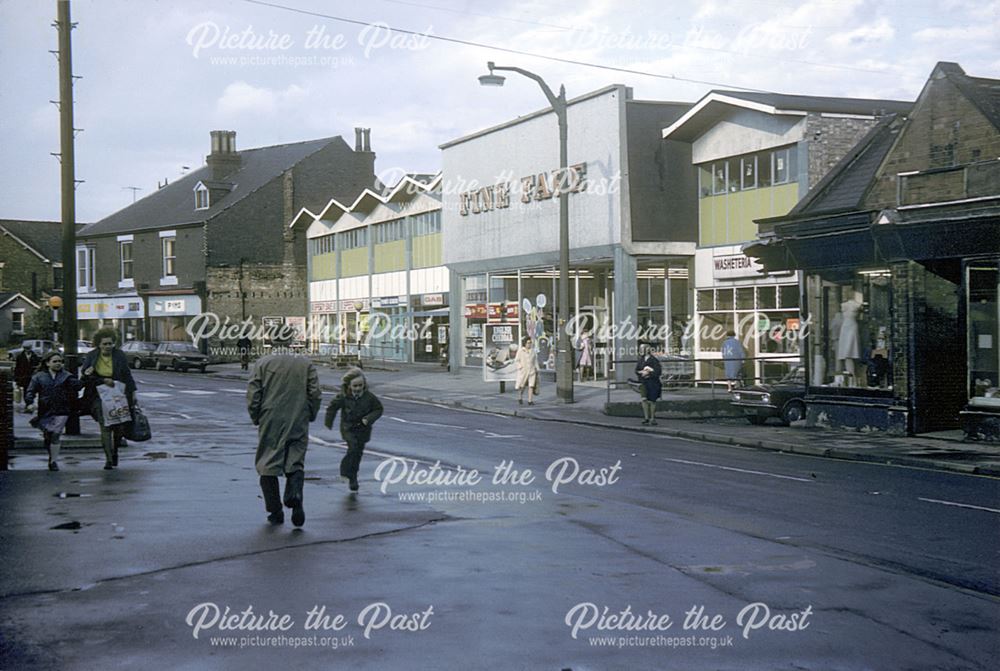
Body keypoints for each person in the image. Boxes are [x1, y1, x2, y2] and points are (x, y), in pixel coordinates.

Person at [247, 332, 322, 526]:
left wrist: (256, 416)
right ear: (290, 341)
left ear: (272, 341)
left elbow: (254, 393)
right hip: (298, 416)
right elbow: (314, 393)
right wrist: (310, 414)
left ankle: (275, 511)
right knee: (295, 461)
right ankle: (295, 498)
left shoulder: (262, 363)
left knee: (268, 463)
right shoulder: (304, 363)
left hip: (270, 418)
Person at [81, 328, 137, 470]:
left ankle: (115, 450)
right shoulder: (92, 356)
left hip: (119, 394)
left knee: (119, 426)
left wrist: (133, 393)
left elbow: (127, 374)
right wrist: (102, 380)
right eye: (104, 344)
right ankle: (108, 459)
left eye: (110, 343)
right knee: (105, 426)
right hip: (98, 395)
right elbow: (85, 376)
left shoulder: (119, 355)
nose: (108, 347)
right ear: (98, 344)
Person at [324, 367, 383, 493]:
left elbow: (379, 409)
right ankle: (345, 470)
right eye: (355, 386)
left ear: (364, 385)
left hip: (363, 429)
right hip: (348, 428)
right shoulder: (343, 396)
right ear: (349, 386)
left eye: (360, 385)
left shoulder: (369, 397)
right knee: (353, 448)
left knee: (358, 454)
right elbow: (332, 408)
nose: (357, 388)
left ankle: (353, 477)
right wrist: (328, 422)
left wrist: (368, 418)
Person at [25, 351, 83, 471]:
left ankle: (53, 461)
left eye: (60, 362)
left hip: (62, 409)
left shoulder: (66, 376)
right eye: (55, 361)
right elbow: (31, 391)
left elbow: (78, 386)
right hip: (45, 410)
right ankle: (51, 455)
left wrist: (85, 377)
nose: (58, 364)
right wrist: (29, 403)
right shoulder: (39, 376)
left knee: (56, 434)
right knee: (48, 435)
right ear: (47, 363)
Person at [635, 345, 662, 425]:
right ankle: (646, 417)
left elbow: (658, 372)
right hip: (643, 382)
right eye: (642, 349)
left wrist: (649, 373)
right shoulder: (641, 360)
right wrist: (640, 372)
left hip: (652, 383)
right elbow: (636, 370)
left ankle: (652, 418)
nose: (643, 350)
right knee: (644, 399)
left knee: (652, 401)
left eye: (645, 349)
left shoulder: (654, 360)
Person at [14, 343, 40, 411]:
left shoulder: (35, 356)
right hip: (24, 377)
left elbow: (38, 365)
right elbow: (17, 368)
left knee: (32, 390)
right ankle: (28, 403)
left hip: (32, 376)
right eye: (26, 348)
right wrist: (17, 379)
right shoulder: (20, 356)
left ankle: (29, 403)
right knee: (26, 390)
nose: (28, 350)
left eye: (29, 348)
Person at [515, 337, 540, 405]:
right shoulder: (521, 351)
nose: (529, 344)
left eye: (530, 343)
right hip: (524, 371)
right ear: (525, 343)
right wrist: (520, 367)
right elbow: (517, 360)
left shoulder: (533, 351)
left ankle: (530, 400)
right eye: (528, 343)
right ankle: (520, 397)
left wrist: (537, 369)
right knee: (522, 385)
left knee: (531, 386)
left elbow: (535, 360)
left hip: (532, 371)